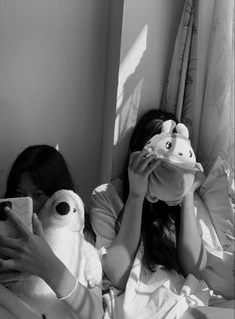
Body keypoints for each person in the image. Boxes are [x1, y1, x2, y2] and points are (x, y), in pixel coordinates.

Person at [88, 109, 234, 318]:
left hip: (185, 302)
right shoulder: (106, 196)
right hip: (138, 305)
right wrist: (136, 196)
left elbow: (194, 269)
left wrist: (187, 193)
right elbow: (118, 275)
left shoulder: (181, 197)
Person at [0, 144, 103, 319]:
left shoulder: (78, 240)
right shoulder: (5, 234)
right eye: (19, 193)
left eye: (38, 194)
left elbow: (95, 314)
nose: (29, 202)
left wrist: (47, 266)